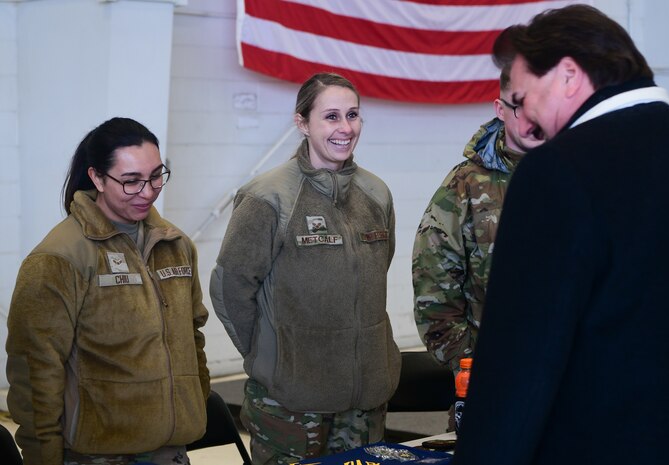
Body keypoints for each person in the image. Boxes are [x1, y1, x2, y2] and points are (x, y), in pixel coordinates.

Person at [453, 5, 669, 465]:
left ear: (568, 75)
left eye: (522, 99)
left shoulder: (556, 173)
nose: (524, 124)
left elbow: (519, 371)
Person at [210, 72, 401, 465]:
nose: (345, 128)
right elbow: (230, 288)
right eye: (331, 116)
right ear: (302, 123)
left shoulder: (376, 194)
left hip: (364, 405)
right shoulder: (267, 197)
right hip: (291, 405)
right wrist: (272, 357)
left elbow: (381, 269)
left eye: (353, 115)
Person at [5, 117, 210, 465]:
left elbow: (192, 336)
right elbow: (34, 368)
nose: (148, 191)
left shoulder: (175, 244)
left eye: (156, 176)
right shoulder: (60, 257)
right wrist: (44, 455)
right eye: (131, 181)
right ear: (97, 178)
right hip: (98, 455)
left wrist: (194, 404)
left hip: (171, 450)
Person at [412, 67, 543, 377]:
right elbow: (434, 287)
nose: (532, 118)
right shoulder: (466, 185)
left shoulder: (573, 173)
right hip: (493, 372)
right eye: (520, 106)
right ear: (500, 109)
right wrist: (467, 364)